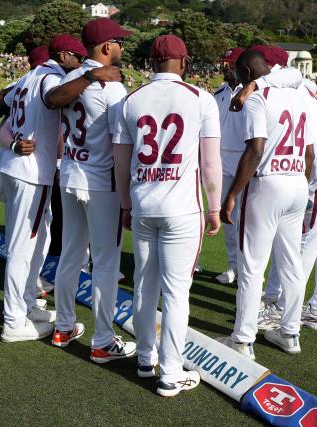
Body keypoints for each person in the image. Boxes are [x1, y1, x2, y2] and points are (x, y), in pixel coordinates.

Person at [113, 34, 222, 397]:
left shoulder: (131, 100)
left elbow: (121, 164)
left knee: (144, 285)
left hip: (143, 205)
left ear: (151, 62)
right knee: (177, 293)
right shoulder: (201, 99)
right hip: (182, 209)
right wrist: (215, 206)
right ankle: (171, 373)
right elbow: (210, 162)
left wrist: (126, 205)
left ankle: (146, 359)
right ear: (183, 62)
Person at [0, 35, 89, 343]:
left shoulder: (27, 77)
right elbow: (54, 99)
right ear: (63, 56)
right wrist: (91, 76)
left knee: (37, 240)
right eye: (78, 57)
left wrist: (14, 142)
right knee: (22, 247)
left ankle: (28, 305)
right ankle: (13, 320)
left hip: (16, 167)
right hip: (31, 172)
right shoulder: (50, 78)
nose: (81, 63)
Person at [217, 49, 315, 358]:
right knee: (291, 264)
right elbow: (310, 153)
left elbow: (255, 150)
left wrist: (232, 194)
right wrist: (300, 182)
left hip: (267, 184)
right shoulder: (299, 96)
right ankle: (290, 333)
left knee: (251, 266)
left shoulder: (258, 98)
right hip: (297, 179)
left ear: (246, 72)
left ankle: (243, 339)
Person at [52, 18, 137, 363]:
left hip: (71, 173)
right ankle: (102, 341)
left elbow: (53, 100)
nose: (122, 46)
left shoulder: (71, 76)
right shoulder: (111, 86)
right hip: (101, 181)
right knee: (105, 262)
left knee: (71, 255)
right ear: (105, 47)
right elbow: (123, 143)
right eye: (118, 41)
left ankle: (63, 326)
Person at [244, 74, 317, 333]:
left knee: (305, 241)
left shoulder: (289, 88)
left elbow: (291, 73)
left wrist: (255, 84)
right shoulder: (302, 90)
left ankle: (283, 309)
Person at [213, 47, 244, 285]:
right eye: (225, 64)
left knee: (249, 221)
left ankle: (249, 271)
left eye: (230, 64)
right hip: (222, 164)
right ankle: (234, 266)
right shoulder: (219, 93)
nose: (226, 68)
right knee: (228, 219)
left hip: (246, 164)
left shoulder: (254, 92)